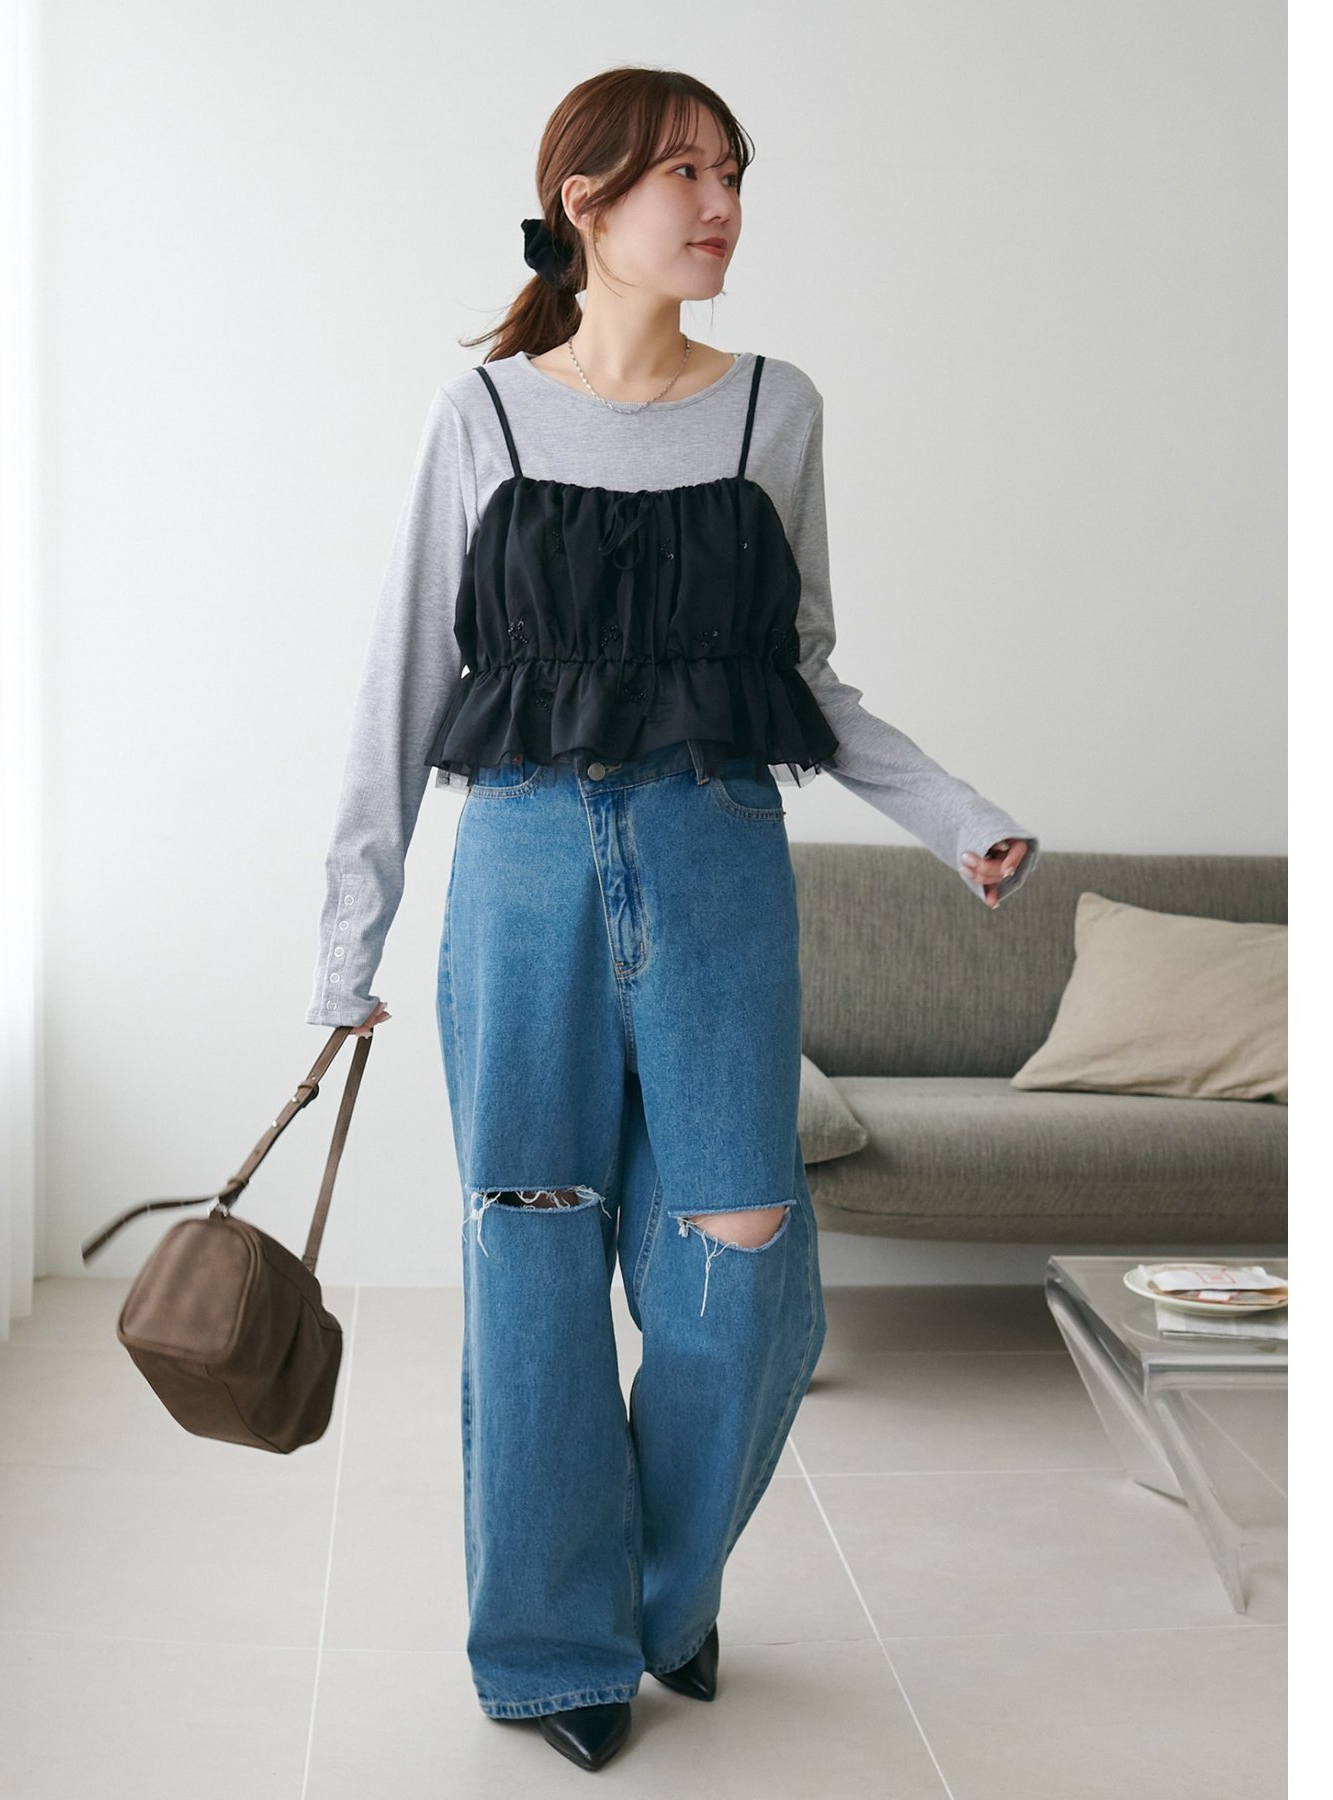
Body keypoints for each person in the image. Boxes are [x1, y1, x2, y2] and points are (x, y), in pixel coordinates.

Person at [307, 68, 1039, 1773]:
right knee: (534, 1257)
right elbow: (400, 687)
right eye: (685, 175)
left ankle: (656, 1589)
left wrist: (956, 818)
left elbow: (803, 676)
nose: (721, 206)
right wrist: (348, 944)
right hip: (523, 869)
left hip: (718, 863)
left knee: (745, 1268)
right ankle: (551, 1655)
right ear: (587, 202)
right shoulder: (481, 418)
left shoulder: (775, 410)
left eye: (733, 174)